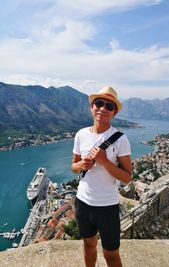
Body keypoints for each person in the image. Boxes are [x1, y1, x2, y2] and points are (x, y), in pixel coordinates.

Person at [71, 86, 132, 267]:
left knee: (111, 253)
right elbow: (73, 166)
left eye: (109, 106)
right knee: (89, 244)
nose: (103, 108)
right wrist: (80, 165)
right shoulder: (80, 135)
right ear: (91, 107)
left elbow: (127, 177)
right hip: (83, 202)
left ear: (114, 112)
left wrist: (104, 161)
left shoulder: (120, 139)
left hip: (107, 206)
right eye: (99, 103)